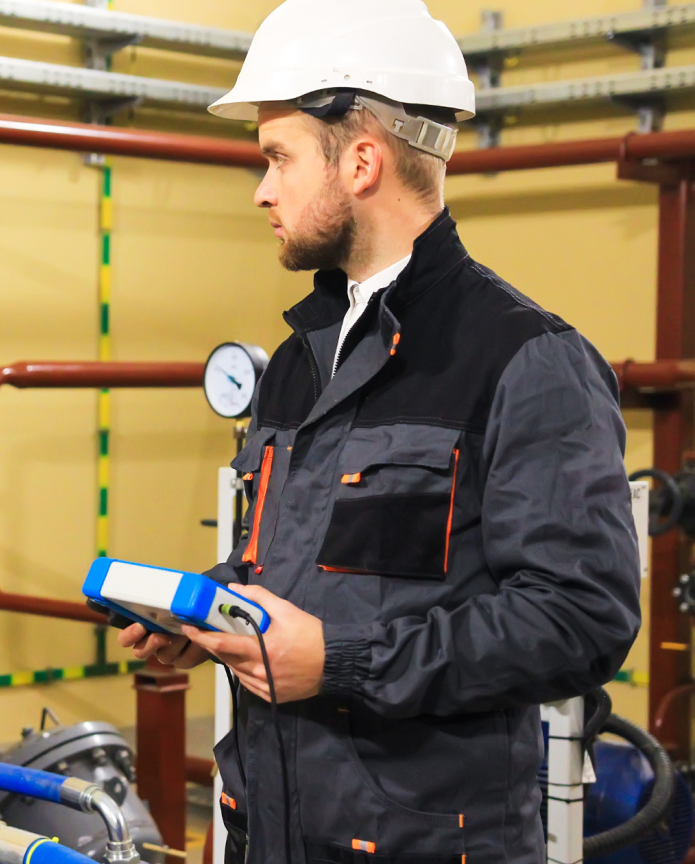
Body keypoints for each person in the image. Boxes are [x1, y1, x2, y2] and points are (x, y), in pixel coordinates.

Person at [117, 2, 642, 862]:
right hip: (272, 834)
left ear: (361, 161)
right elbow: (299, 567)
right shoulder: (298, 360)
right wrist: (207, 608)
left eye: (278, 158)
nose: (262, 190)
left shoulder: (524, 358)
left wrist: (340, 662)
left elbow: (581, 619)